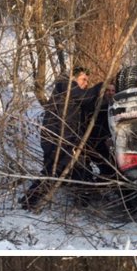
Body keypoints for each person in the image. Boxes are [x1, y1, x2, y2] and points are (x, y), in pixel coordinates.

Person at [20, 66, 105, 210]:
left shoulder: (71, 91)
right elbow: (83, 96)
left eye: (87, 81)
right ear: (74, 77)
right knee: (55, 170)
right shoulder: (65, 84)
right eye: (83, 79)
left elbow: (88, 103)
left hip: (66, 139)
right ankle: (29, 201)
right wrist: (99, 87)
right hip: (57, 139)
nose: (85, 84)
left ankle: (85, 200)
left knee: (79, 167)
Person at [85, 83, 117, 180]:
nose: (110, 93)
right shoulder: (99, 106)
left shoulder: (115, 105)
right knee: (107, 168)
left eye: (113, 91)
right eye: (108, 90)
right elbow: (97, 126)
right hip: (100, 143)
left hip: (114, 142)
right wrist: (106, 138)